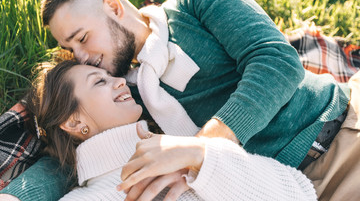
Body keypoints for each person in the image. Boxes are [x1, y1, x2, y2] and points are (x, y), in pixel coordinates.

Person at [1, 0, 358, 200]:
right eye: (69, 48)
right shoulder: (124, 96)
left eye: (82, 38)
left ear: (112, 6)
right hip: (279, 185)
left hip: (338, 133)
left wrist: (200, 149)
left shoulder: (194, 0)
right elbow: (71, 156)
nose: (80, 56)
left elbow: (277, 62)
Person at [22, 60, 316, 200]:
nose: (121, 82)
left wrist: (202, 155)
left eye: (112, 76)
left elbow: (301, 194)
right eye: (99, 82)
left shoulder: (186, 147)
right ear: (74, 122)